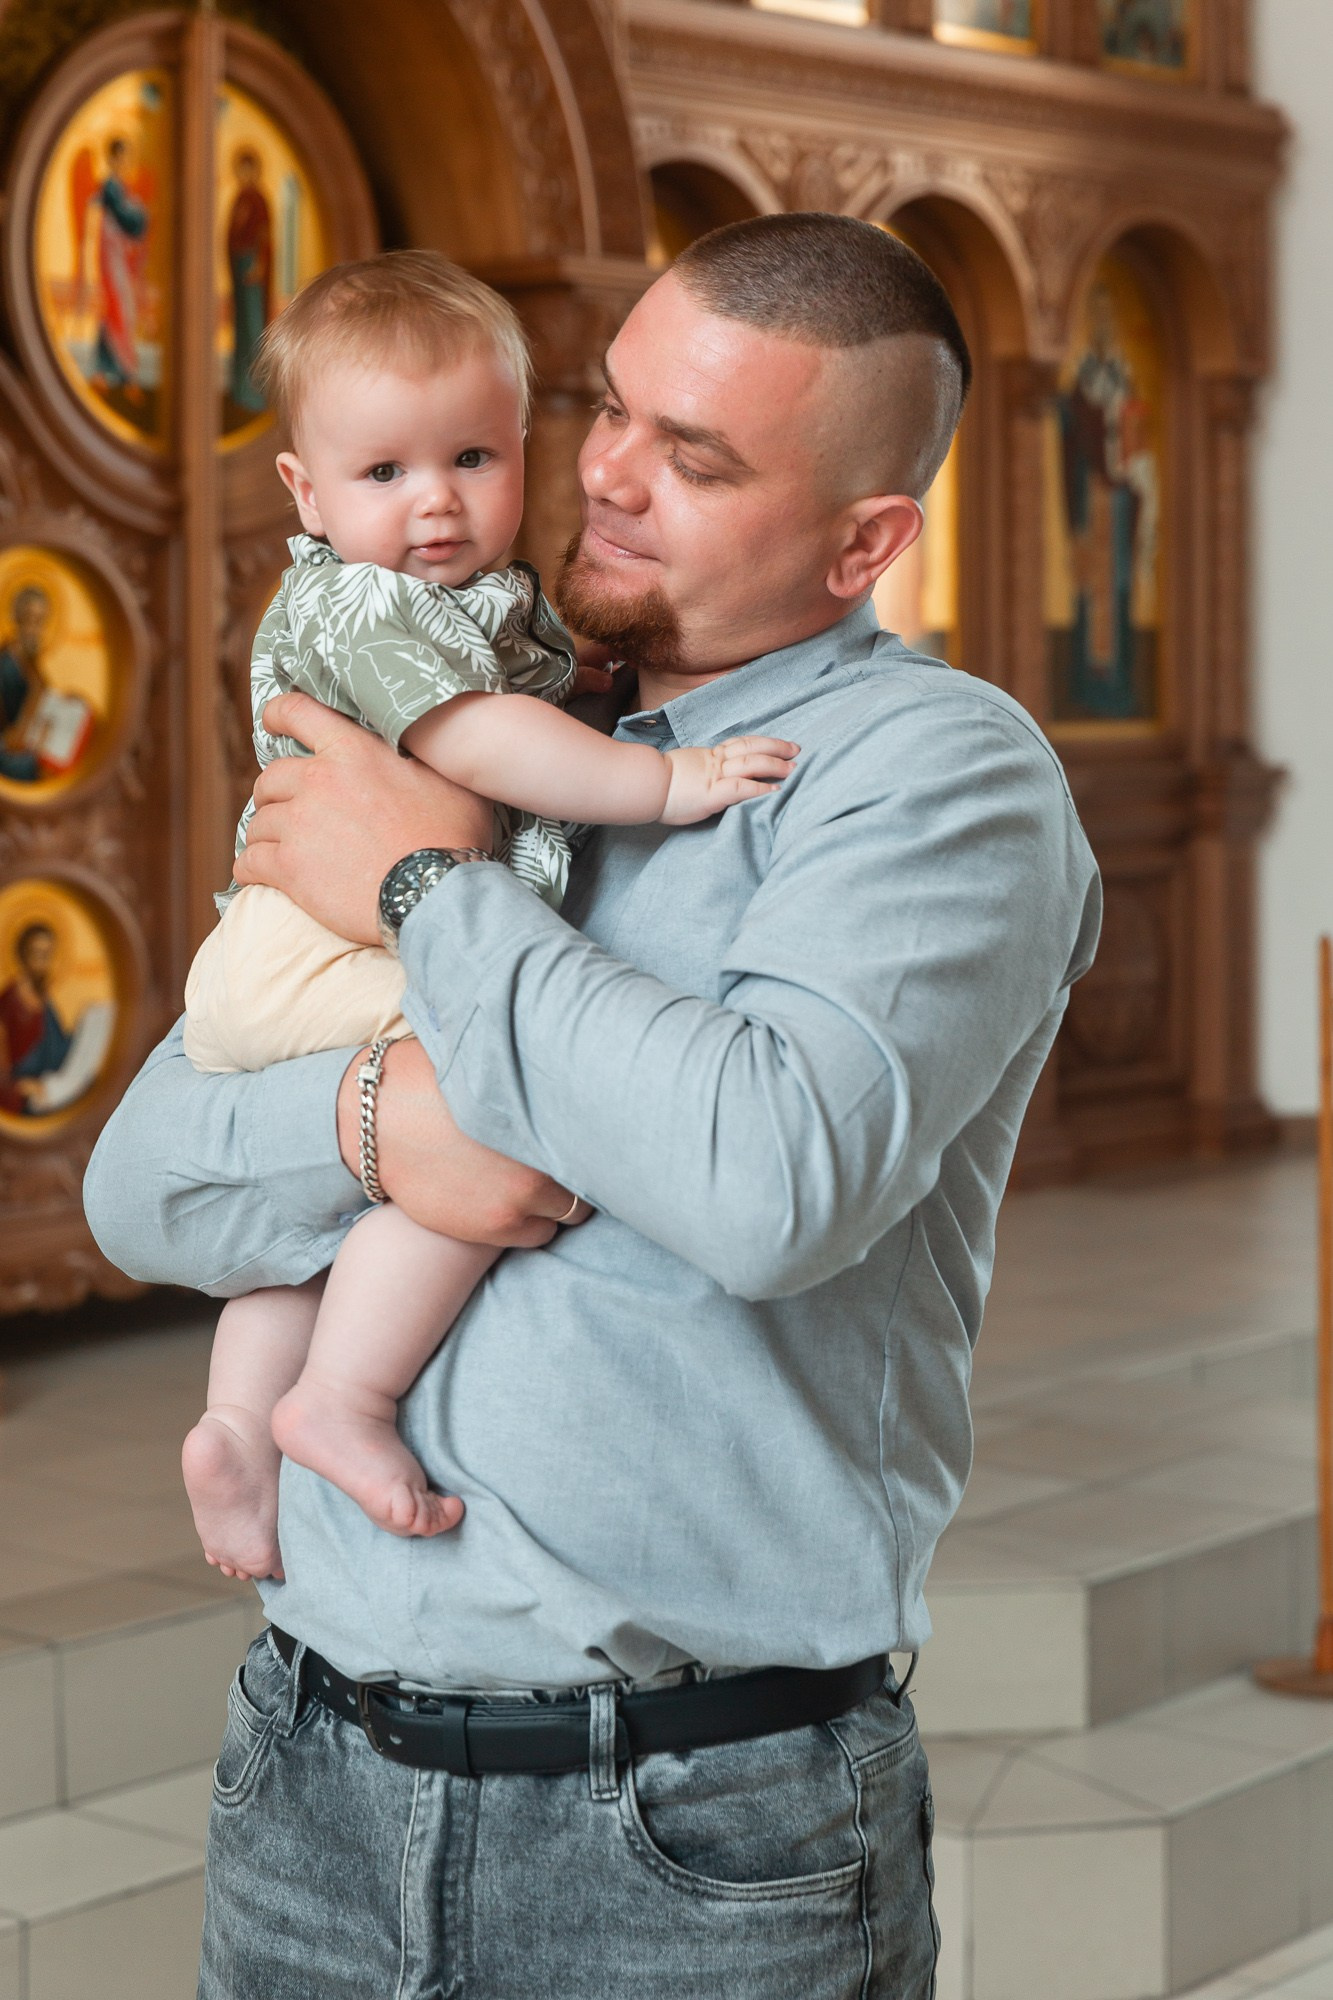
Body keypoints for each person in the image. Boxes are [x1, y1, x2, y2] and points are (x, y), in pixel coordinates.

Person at [84, 213, 1100, 1999]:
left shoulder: (932, 775)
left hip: (694, 1835)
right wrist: (380, 1119)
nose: (608, 476)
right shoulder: (474, 711)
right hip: (310, 1783)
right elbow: (144, 1186)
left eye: (694, 459)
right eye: (611, 409)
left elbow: (766, 1177)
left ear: (863, 540)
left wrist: (427, 892)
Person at [177, 250, 796, 1582]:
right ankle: (341, 1396)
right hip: (324, 940)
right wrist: (667, 780)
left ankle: (235, 1422)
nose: (437, 501)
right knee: (497, 1101)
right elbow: (484, 740)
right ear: (303, 489)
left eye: (471, 457)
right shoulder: (361, 602)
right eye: (383, 472)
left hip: (296, 947)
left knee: (322, 1217)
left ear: (522, 444)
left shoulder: (475, 600)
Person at [0, 922, 72, 1116]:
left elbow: (58, 1051)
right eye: (39, 954)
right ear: (24, 956)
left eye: (49, 954)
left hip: (48, 1092)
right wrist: (21, 1086)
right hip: (21, 1103)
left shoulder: (45, 1003)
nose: (45, 963)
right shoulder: (8, 1003)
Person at [0, 585, 50, 783]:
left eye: (41, 621)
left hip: (31, 748)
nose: (35, 629)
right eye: (30, 619)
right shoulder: (5, 665)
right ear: (17, 619)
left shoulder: (32, 664)